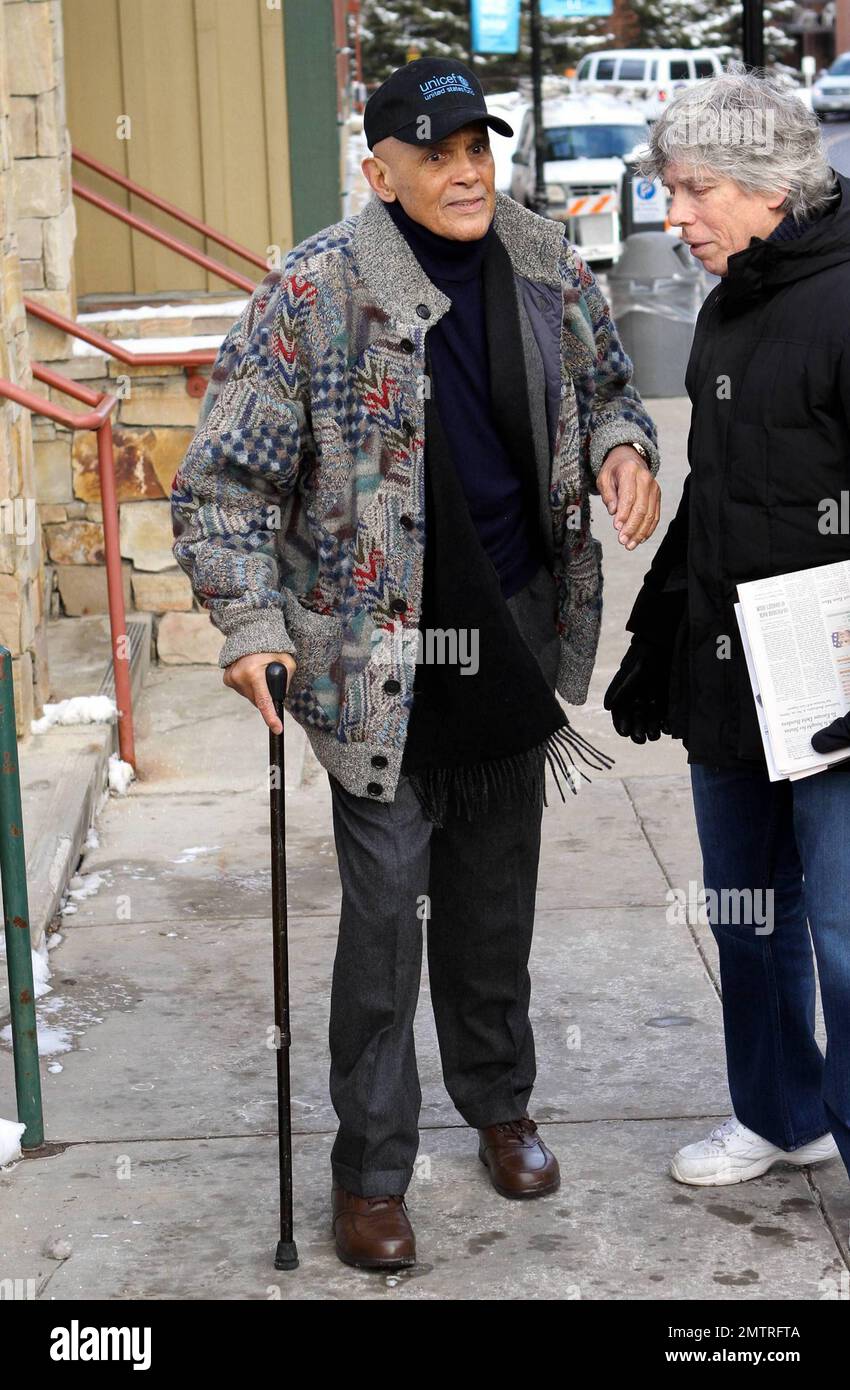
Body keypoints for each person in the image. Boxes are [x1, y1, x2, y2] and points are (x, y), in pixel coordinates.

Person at [172, 57, 661, 1269]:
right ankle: (373, 1172)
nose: (464, 173)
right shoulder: (313, 290)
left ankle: (499, 1105)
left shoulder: (548, 263)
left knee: (493, 913)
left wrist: (617, 444)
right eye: (436, 153)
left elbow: (610, 389)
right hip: (372, 666)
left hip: (508, 645)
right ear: (378, 169)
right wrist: (251, 627)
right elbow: (222, 485)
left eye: (477, 150)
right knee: (388, 925)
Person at [605, 67, 849, 1188]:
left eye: (695, 189)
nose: (675, 215)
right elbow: (720, 486)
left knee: (844, 940)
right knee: (747, 914)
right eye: (670, 189)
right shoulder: (728, 302)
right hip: (732, 661)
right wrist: (668, 634)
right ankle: (778, 1111)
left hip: (836, 681)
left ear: (769, 188)